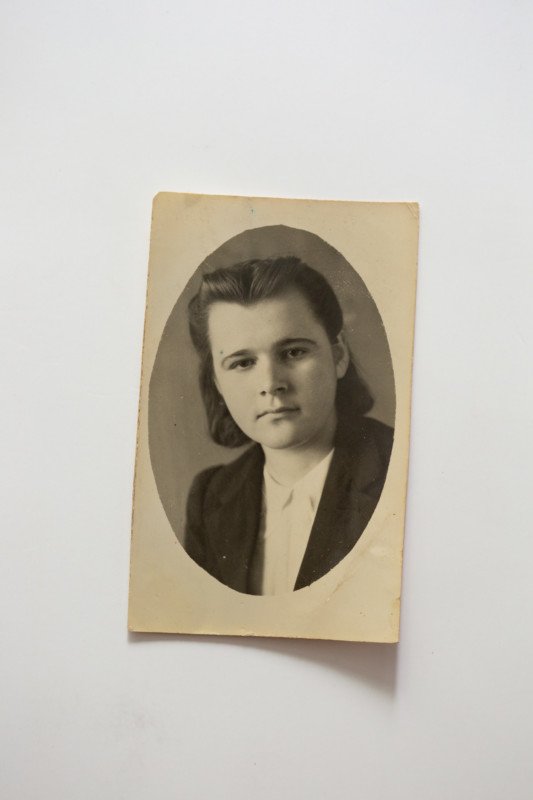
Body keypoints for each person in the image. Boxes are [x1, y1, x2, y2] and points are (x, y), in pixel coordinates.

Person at [185, 256, 393, 595]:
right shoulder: (210, 497)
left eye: (294, 352)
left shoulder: (397, 471)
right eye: (243, 362)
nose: (271, 383)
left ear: (338, 355)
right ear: (218, 383)